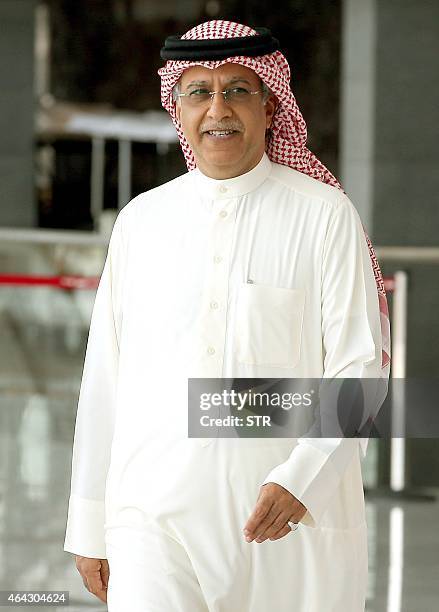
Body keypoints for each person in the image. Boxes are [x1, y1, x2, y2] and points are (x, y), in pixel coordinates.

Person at [64, 20, 391, 611]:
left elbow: (362, 365)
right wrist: (90, 524)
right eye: (200, 92)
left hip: (284, 521)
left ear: (270, 107)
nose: (219, 109)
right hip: (149, 518)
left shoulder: (323, 215)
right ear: (178, 111)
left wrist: (304, 476)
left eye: (239, 89)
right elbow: (105, 379)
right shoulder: (141, 222)